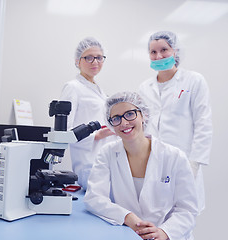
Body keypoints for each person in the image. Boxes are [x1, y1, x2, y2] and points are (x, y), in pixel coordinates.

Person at [84, 91, 198, 240]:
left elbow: (187, 209)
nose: (124, 123)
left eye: (130, 114)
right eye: (116, 118)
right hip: (128, 234)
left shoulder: (174, 156)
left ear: (143, 115)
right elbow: (94, 197)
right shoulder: (107, 154)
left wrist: (164, 232)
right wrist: (128, 217)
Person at [139, 31, 213, 213]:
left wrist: (194, 163)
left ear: (175, 51)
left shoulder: (194, 81)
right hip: (153, 163)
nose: (159, 56)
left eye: (164, 49)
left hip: (185, 161)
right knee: (154, 217)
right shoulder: (144, 88)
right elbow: (142, 127)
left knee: (183, 218)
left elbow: (203, 124)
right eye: (153, 52)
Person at [60, 37, 116, 190]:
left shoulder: (97, 89)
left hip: (103, 158)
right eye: (89, 58)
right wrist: (96, 136)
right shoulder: (73, 87)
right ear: (78, 61)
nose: (95, 62)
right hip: (87, 163)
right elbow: (64, 132)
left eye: (99, 57)